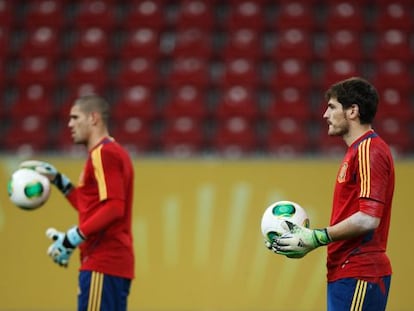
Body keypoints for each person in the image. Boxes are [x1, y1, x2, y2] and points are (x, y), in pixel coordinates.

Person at [269, 77, 395, 311]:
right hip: (346, 271)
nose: (325, 115)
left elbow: (369, 218)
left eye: (332, 107)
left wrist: (316, 237)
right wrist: (296, 239)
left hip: (360, 271)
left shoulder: (369, 150)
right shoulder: (357, 151)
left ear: (353, 111)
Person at [20, 95, 135, 311]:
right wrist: (59, 180)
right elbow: (91, 206)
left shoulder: (103, 154)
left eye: (75, 117)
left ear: (93, 118)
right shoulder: (111, 152)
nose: (69, 124)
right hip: (109, 264)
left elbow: (113, 208)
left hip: (103, 261)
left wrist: (71, 239)